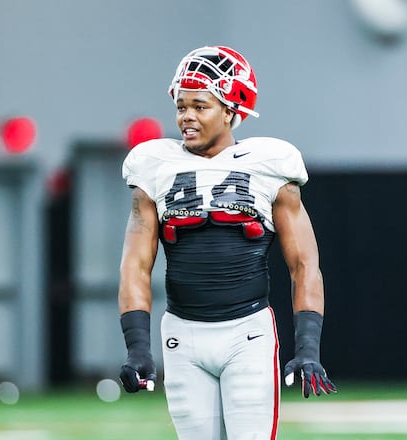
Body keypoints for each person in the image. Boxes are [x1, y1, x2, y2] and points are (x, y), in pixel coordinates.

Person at [117, 45, 336, 440]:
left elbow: (304, 264)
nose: (186, 116)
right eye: (181, 106)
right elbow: (135, 264)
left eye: (200, 106)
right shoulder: (154, 165)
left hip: (247, 333)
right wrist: (137, 345)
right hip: (182, 335)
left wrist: (308, 346)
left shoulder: (269, 164)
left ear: (232, 110)